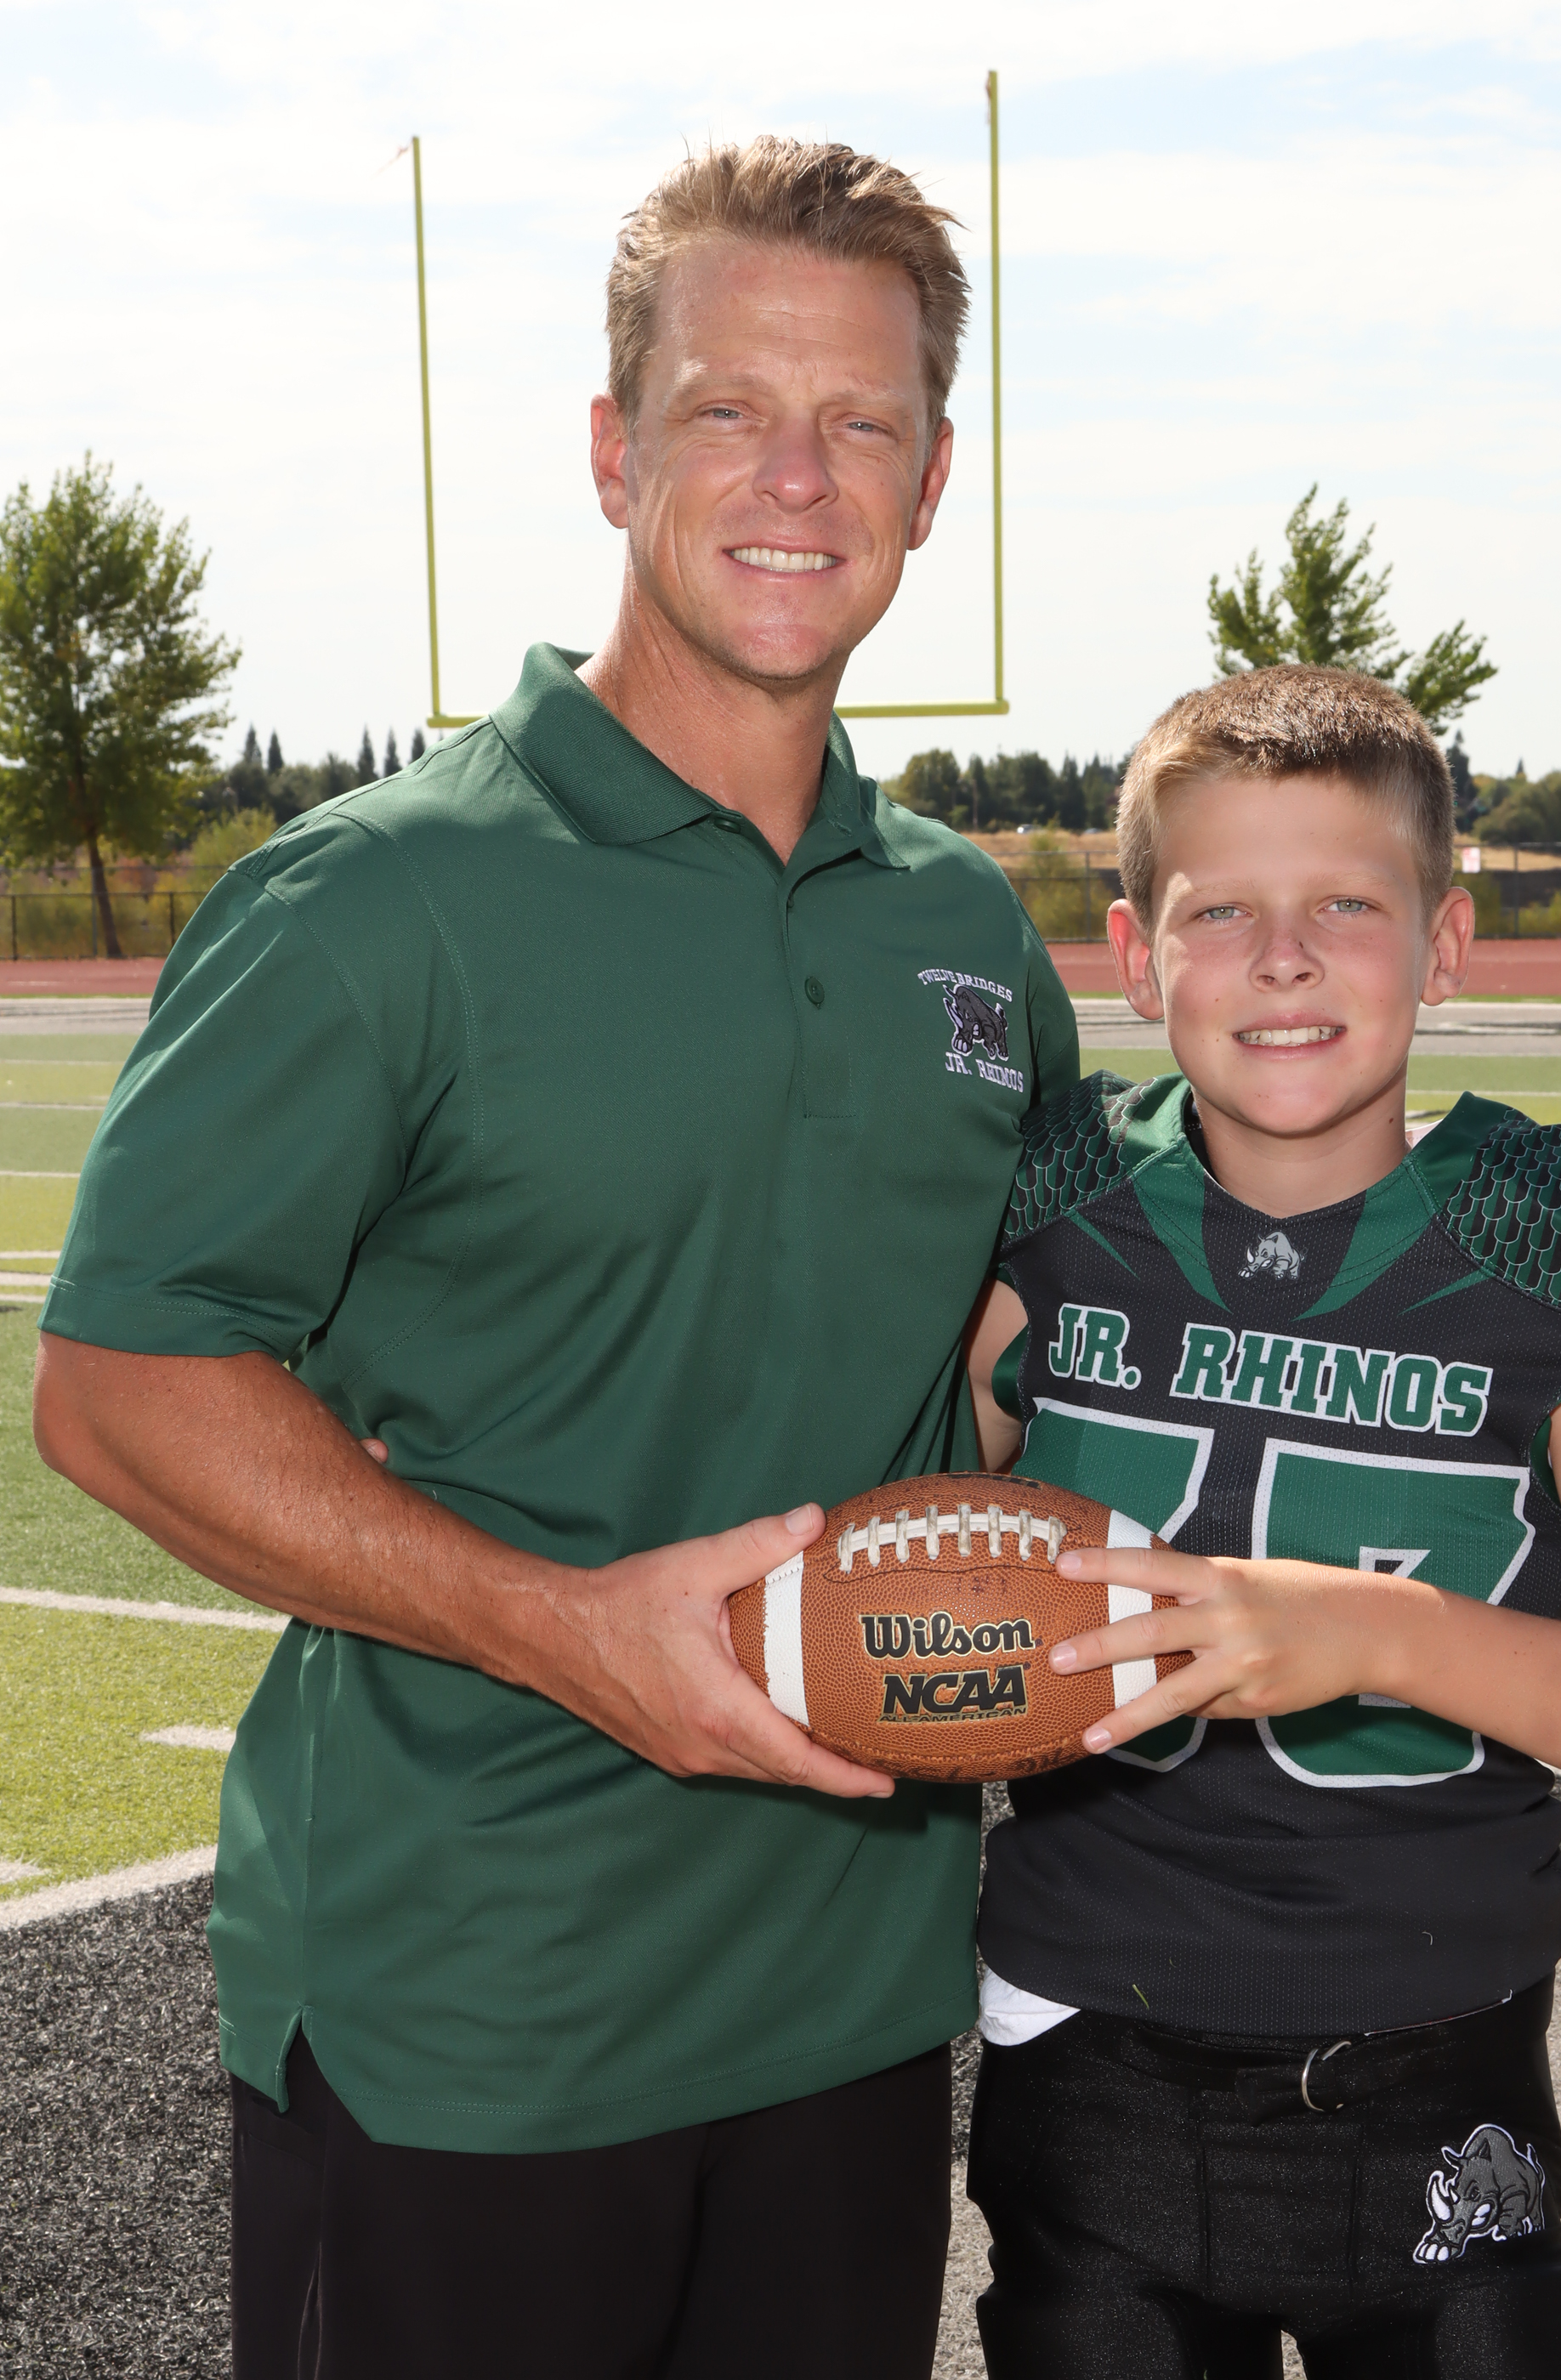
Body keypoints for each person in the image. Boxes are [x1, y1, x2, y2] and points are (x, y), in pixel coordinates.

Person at [33, 139, 1077, 2380]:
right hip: (475, 2008)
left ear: (932, 480)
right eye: (726, 409)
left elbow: (1014, 1348)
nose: (794, 475)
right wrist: (566, 1631)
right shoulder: (375, 898)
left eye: (861, 420)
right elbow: (120, 1385)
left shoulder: (965, 922)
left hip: (853, 1999)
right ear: (615, 451)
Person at [960, 665, 1561, 2377]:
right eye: (1221, 911)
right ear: (1134, 958)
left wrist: (1375, 1633)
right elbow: (901, 1539)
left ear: (1444, 942)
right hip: (1082, 2057)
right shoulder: (1052, 1210)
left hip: (1436, 2069)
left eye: (1347, 903)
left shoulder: (1557, 1250)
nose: (1285, 957)